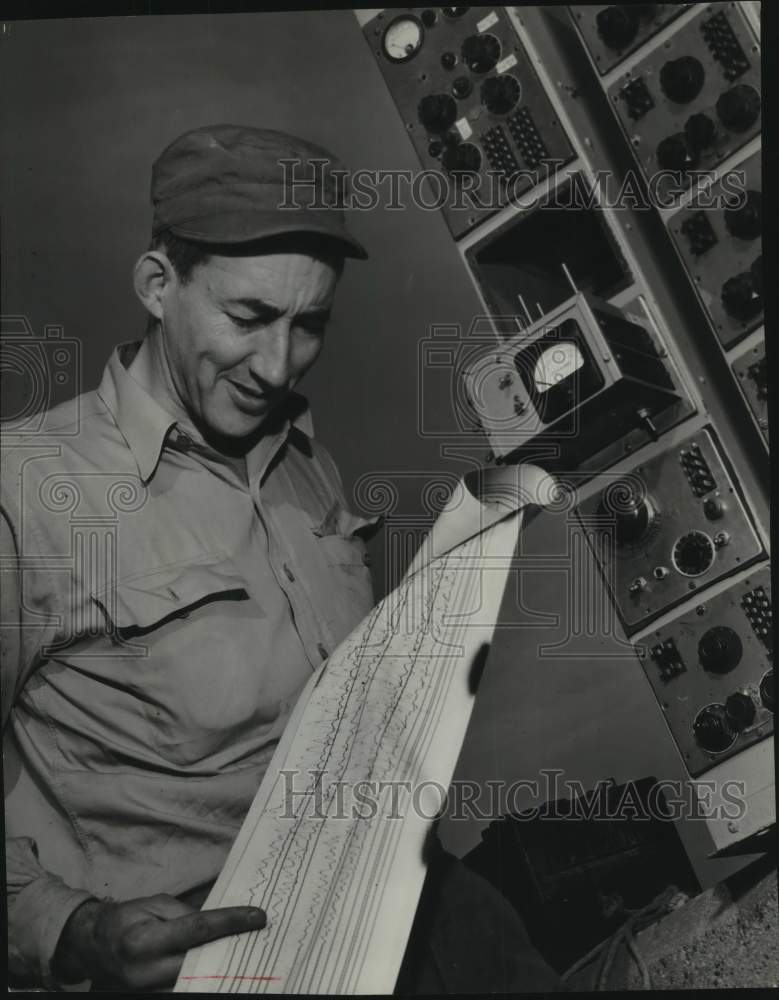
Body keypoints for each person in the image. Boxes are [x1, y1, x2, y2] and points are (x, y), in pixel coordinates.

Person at [2, 124, 561, 992]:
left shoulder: (304, 464)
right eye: (249, 316)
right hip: (229, 968)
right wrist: (71, 929)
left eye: (309, 326)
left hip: (434, 918)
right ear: (158, 285)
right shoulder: (25, 490)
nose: (277, 364)